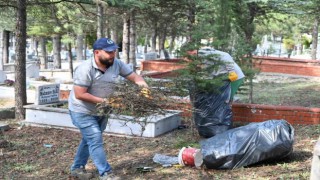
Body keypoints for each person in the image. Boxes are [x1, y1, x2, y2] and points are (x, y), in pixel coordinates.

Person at [68, 37, 148, 180]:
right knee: (95, 137)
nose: (112, 55)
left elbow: (135, 78)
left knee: (89, 139)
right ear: (97, 52)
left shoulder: (116, 63)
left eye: (114, 51)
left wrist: (144, 88)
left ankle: (77, 167)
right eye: (109, 52)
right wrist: (108, 101)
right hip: (82, 110)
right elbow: (80, 94)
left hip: (102, 110)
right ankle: (106, 174)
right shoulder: (85, 69)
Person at [186, 47, 241, 137]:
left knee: (225, 101)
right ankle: (211, 129)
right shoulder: (198, 58)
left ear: (192, 51)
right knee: (215, 102)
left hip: (235, 76)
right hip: (221, 77)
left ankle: (222, 129)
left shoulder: (203, 54)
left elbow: (225, 55)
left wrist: (231, 71)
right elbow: (209, 71)